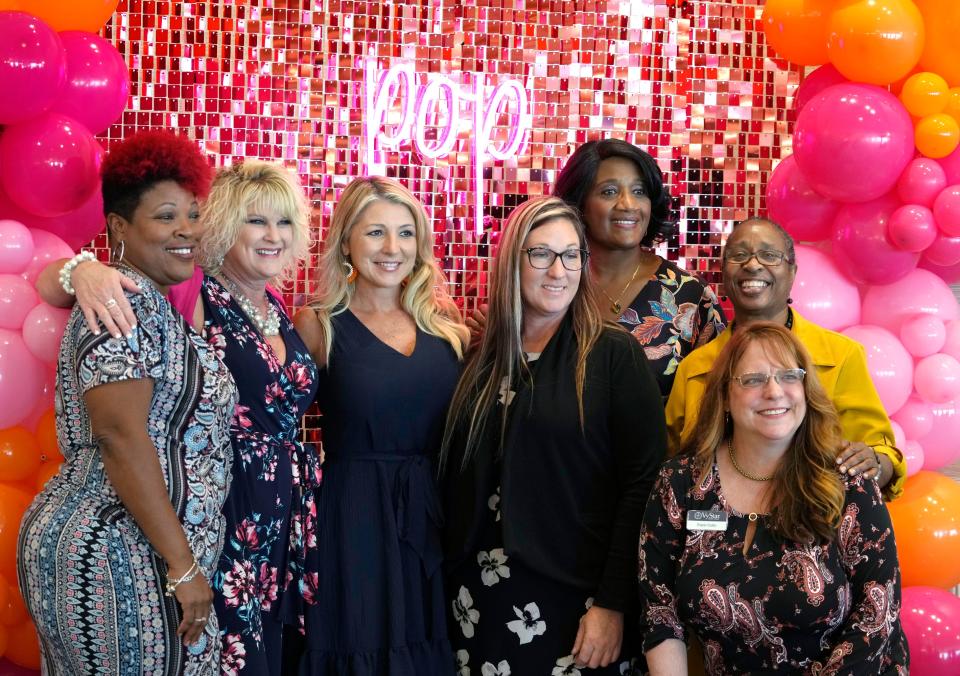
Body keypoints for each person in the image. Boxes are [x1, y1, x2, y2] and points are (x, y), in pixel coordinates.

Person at [36, 161, 319, 674]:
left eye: (284, 223)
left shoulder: (283, 308)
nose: (273, 236)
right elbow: (61, 290)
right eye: (256, 221)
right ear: (225, 225)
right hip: (218, 514)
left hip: (279, 518)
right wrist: (81, 270)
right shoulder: (190, 290)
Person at [18, 130, 239, 673]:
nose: (186, 229)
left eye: (192, 213)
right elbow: (120, 437)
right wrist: (184, 566)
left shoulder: (155, 303)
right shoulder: (121, 304)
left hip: (145, 552)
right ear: (119, 226)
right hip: (115, 550)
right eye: (166, 217)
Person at [440, 196, 666, 675]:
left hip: (576, 600)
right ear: (512, 262)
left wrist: (613, 604)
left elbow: (643, 487)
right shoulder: (481, 359)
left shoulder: (612, 355)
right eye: (540, 254)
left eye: (571, 255)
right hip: (476, 598)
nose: (557, 270)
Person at [639, 322, 908, 674]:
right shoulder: (680, 482)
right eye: (753, 379)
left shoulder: (847, 481)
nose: (774, 391)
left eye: (788, 376)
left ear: (806, 390)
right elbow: (659, 612)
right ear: (724, 395)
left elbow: (877, 615)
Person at [293, 176, 469, 674]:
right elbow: (270, 422)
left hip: (433, 514)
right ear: (346, 240)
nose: (393, 248)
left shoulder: (449, 327)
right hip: (353, 518)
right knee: (358, 639)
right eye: (375, 233)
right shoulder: (318, 324)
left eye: (405, 233)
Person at [665, 217, 907, 499]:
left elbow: (882, 456)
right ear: (723, 271)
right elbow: (671, 464)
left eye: (769, 255)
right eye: (739, 255)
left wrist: (875, 463)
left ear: (792, 272)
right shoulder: (695, 368)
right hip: (715, 531)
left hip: (811, 525)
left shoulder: (840, 356)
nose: (753, 265)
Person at [552, 138, 726, 397]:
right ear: (579, 204)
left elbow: (719, 401)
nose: (628, 205)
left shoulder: (690, 296)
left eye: (639, 191)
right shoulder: (551, 285)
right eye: (609, 191)